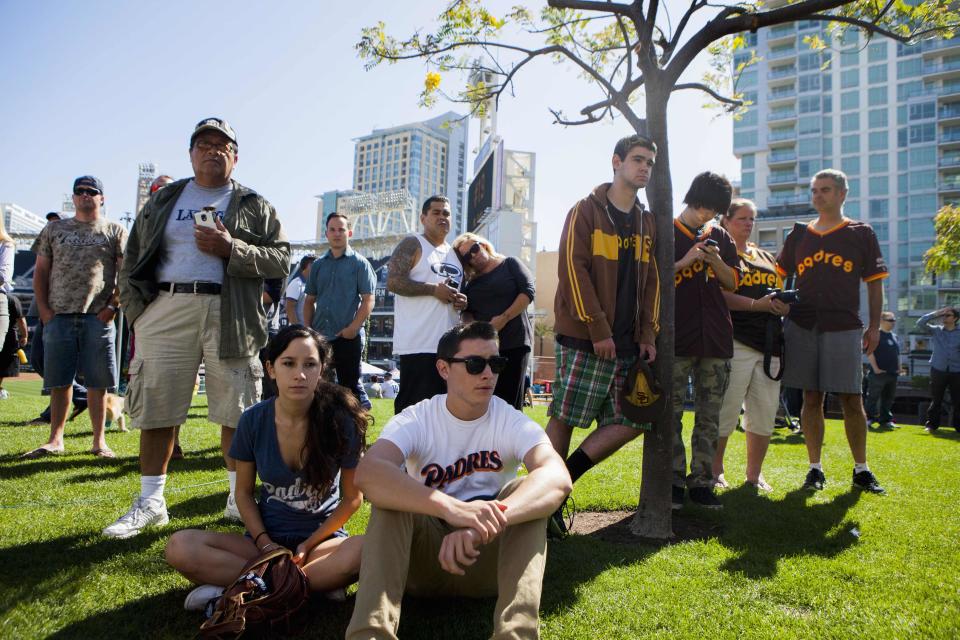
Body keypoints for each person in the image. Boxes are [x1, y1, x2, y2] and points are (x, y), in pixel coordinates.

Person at [105, 117, 290, 538]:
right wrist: (141, 313)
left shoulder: (254, 203)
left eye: (222, 145)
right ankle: (151, 502)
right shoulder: (165, 198)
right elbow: (133, 257)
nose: (213, 150)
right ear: (191, 154)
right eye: (204, 144)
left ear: (235, 156)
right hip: (167, 306)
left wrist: (232, 249)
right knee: (156, 408)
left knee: (238, 410)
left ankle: (237, 499)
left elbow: (281, 259)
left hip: (232, 310)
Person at [345, 322, 572, 639]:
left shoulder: (509, 419)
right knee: (392, 498)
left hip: (488, 563)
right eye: (475, 364)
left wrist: (479, 525)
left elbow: (558, 478)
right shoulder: (417, 418)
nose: (488, 374)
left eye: (496, 364)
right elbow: (369, 473)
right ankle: (370, 634)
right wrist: (451, 509)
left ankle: (515, 634)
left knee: (524, 490)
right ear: (443, 368)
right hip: (421, 564)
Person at [164, 325, 366, 610]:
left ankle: (248, 587)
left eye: (310, 364)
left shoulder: (341, 420)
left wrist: (308, 544)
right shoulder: (253, 420)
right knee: (179, 547)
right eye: (288, 363)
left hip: (322, 544)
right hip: (262, 544)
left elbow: (352, 499)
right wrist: (265, 544)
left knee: (367, 549)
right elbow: (244, 494)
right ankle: (308, 586)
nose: (300, 374)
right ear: (271, 369)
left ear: (321, 370)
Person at [545, 134, 660, 533]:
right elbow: (572, 271)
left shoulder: (647, 222)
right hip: (584, 336)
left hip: (628, 342)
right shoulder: (586, 210)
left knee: (635, 420)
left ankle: (560, 484)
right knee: (564, 415)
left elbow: (652, 283)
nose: (644, 168)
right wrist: (597, 328)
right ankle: (545, 501)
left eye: (649, 162)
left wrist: (648, 333)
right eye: (637, 160)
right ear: (616, 162)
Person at [776, 169, 887, 494]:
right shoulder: (799, 235)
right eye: (814, 190)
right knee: (811, 398)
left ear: (842, 194)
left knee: (852, 398)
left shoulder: (860, 232)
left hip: (844, 326)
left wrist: (875, 326)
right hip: (803, 324)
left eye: (825, 190)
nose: (818, 195)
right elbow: (778, 274)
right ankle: (815, 469)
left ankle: (861, 469)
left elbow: (875, 285)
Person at [22, 176, 125, 459]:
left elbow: (124, 272)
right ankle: (55, 439)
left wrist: (112, 308)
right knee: (59, 381)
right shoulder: (54, 229)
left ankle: (99, 441)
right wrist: (43, 310)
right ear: (73, 197)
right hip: (59, 315)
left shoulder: (114, 229)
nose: (84, 195)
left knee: (97, 382)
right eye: (79, 191)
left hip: (98, 316)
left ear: (102, 198)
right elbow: (41, 271)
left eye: (91, 192)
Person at [671, 172, 739, 509]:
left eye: (714, 210)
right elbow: (650, 281)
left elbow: (733, 283)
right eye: (703, 207)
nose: (707, 215)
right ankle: (672, 481)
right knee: (669, 415)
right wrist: (685, 262)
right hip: (675, 338)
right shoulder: (665, 231)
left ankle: (701, 482)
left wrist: (715, 260)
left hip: (715, 339)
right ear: (691, 199)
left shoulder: (722, 238)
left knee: (709, 416)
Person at [712, 199, 789, 492]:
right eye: (742, 218)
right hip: (735, 340)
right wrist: (757, 305)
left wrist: (782, 306)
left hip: (770, 344)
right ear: (726, 220)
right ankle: (716, 470)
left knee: (764, 412)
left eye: (752, 219)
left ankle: (754, 475)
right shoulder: (721, 253)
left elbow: (778, 293)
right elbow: (718, 294)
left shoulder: (766, 256)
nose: (748, 224)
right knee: (727, 410)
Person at [387, 195, 467, 414]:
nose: (442, 217)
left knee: (443, 413)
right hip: (418, 345)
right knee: (411, 413)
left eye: (446, 213)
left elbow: (456, 292)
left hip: (450, 347)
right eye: (436, 212)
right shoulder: (413, 242)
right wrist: (433, 290)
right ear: (423, 218)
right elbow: (393, 282)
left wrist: (461, 300)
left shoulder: (454, 253)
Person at [453, 232, 535, 409]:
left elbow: (528, 291)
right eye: (468, 256)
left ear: (483, 244)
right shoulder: (471, 283)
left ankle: (512, 437)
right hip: (486, 350)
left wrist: (503, 319)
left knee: (511, 403)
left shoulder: (510, 263)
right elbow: (466, 312)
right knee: (487, 401)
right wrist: (473, 328)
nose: (474, 254)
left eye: (475, 247)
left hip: (515, 343)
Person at [303, 213, 376, 406]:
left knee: (349, 389)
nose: (337, 233)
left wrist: (353, 328)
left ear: (349, 232)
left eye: (341, 229)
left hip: (347, 337)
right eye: (332, 229)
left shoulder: (360, 264)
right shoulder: (318, 265)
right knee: (318, 388)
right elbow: (309, 300)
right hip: (320, 337)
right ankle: (321, 431)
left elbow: (369, 300)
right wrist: (309, 330)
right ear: (326, 233)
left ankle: (352, 431)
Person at [24, 213, 89, 425]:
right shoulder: (46, 244)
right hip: (46, 308)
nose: (51, 225)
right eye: (49, 222)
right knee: (39, 359)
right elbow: (40, 275)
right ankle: (80, 396)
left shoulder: (73, 245)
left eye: (56, 222)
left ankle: (75, 400)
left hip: (64, 309)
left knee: (50, 361)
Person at [916, 307, 960, 432]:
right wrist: (936, 313)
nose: (944, 317)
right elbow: (920, 323)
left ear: (955, 318)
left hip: (957, 371)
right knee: (936, 399)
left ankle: (958, 427)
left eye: (948, 315)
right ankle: (931, 425)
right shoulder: (936, 330)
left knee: (958, 400)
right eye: (943, 315)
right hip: (938, 369)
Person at [865, 312, 901, 430]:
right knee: (873, 397)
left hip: (892, 373)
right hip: (878, 373)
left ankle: (885, 420)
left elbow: (897, 354)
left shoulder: (894, 336)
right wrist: (876, 368)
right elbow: (869, 352)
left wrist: (899, 368)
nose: (893, 322)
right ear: (881, 320)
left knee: (888, 398)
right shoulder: (875, 335)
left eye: (894, 320)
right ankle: (869, 419)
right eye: (890, 320)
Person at [0, 292, 27, 399]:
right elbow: (20, 319)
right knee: (3, 365)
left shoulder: (11, 299)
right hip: (8, 336)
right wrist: (24, 336)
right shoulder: (12, 298)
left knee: (2, 365)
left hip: (8, 336)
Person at [284, 255, 316, 325]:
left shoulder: (314, 284)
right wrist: (297, 328)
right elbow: (289, 308)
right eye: (315, 265)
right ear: (309, 266)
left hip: (311, 330)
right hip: (302, 330)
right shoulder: (296, 283)